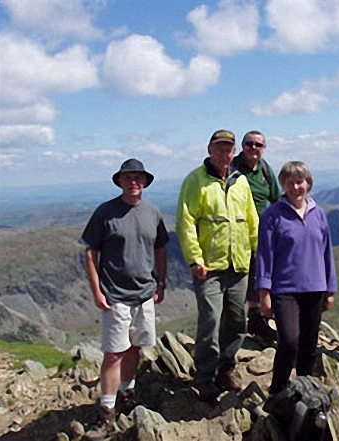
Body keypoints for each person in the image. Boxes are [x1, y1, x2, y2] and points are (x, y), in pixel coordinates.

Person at [81, 158, 169, 439]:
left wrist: (161, 282)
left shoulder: (152, 212)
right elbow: (90, 252)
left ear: (145, 182)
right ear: (120, 181)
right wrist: (96, 290)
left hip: (144, 293)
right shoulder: (105, 212)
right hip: (115, 294)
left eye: (139, 178)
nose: (134, 182)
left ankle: (127, 393)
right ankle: (106, 410)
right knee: (113, 353)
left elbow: (160, 249)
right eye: (128, 177)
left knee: (134, 347)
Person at [176, 129, 259, 401]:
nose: (225, 153)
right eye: (220, 148)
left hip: (238, 266)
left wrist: (258, 254)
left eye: (229, 149)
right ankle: (204, 377)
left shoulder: (241, 182)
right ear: (210, 149)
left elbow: (251, 221)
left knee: (236, 322)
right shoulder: (195, 181)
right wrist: (195, 259)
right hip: (209, 268)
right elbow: (186, 223)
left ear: (234, 152)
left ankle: (226, 368)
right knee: (210, 322)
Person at [255, 161, 336, 394]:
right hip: (285, 289)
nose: (295, 186)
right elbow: (265, 254)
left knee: (309, 344)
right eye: (290, 182)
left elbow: (327, 251)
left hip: (315, 287)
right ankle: (278, 389)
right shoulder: (273, 215)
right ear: (283, 185)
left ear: (308, 184)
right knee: (289, 341)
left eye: (300, 181)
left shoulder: (318, 214)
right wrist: (264, 292)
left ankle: (305, 387)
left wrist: (330, 289)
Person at [232, 131, 280, 343]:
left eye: (258, 145)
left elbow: (276, 199)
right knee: (243, 277)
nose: (253, 148)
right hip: (236, 233)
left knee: (260, 273)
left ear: (264, 148)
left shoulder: (265, 170)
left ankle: (257, 320)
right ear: (242, 146)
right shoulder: (232, 169)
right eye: (249, 144)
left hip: (262, 232)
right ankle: (244, 323)